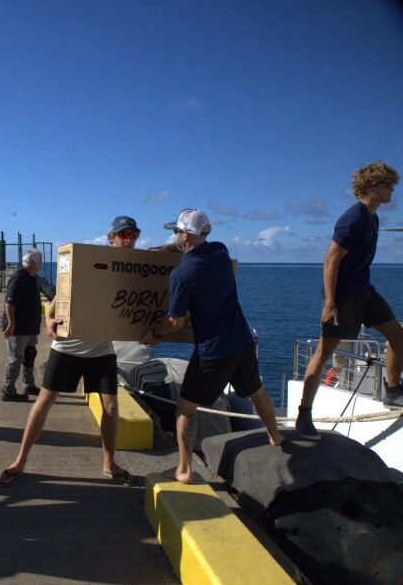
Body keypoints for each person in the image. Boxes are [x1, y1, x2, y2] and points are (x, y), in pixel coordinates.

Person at [140, 209, 283, 484]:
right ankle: (275, 438)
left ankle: (184, 469)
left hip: (213, 353)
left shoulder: (182, 274)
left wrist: (154, 334)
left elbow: (175, 322)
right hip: (242, 341)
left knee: (184, 408)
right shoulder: (220, 252)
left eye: (176, 233)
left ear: (183, 235)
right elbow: (194, 244)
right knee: (256, 391)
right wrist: (170, 246)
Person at [0, 217, 140, 487]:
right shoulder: (93, 262)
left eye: (134, 234)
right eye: (124, 234)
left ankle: (109, 462)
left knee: (111, 406)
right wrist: (49, 320)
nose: (129, 239)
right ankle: (20, 460)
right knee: (44, 401)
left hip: (102, 349)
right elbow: (63, 293)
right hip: (68, 348)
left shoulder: (133, 270)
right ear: (111, 237)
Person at [296, 161, 403, 440]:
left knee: (398, 336)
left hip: (365, 292)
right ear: (370, 187)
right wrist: (330, 303)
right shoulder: (353, 218)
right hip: (344, 297)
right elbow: (331, 261)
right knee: (323, 354)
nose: (393, 189)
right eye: (387, 184)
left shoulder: (373, 218)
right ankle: (304, 413)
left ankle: (393, 392)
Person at [1, 248, 43, 402]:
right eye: (39, 263)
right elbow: (9, 304)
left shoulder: (32, 277)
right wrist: (11, 323)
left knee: (30, 355)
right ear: (32, 263)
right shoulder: (19, 277)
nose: (41, 266)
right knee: (15, 359)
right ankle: (8, 390)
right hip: (19, 329)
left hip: (30, 327)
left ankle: (28, 384)